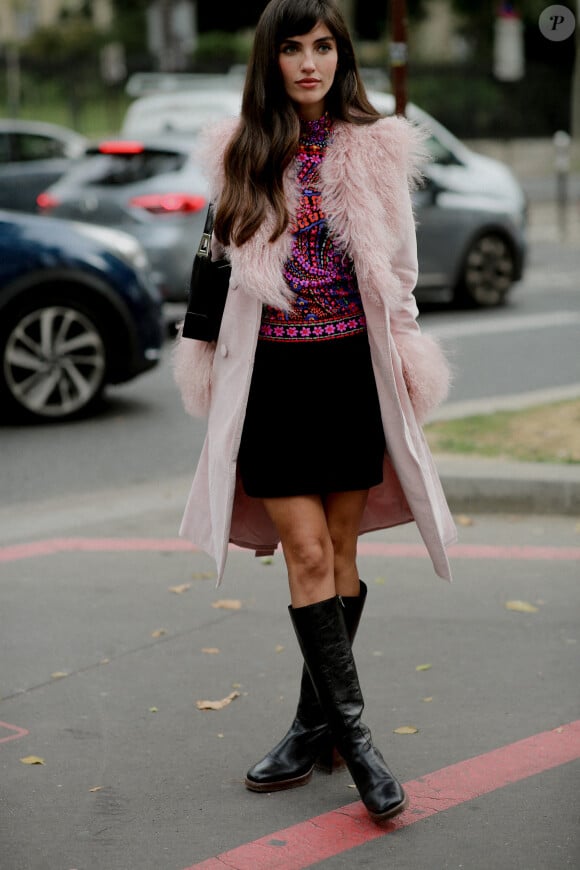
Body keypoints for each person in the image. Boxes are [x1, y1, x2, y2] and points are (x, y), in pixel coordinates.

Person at [174, 0, 457, 823]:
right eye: (293, 47)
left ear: (342, 56)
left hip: (348, 378)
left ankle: (312, 725)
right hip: (272, 385)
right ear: (271, 59)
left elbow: (397, 279)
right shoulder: (242, 154)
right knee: (303, 551)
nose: (309, 61)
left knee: (338, 549)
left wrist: (407, 370)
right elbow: (215, 272)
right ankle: (362, 743)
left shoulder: (375, 150)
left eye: (324, 45)